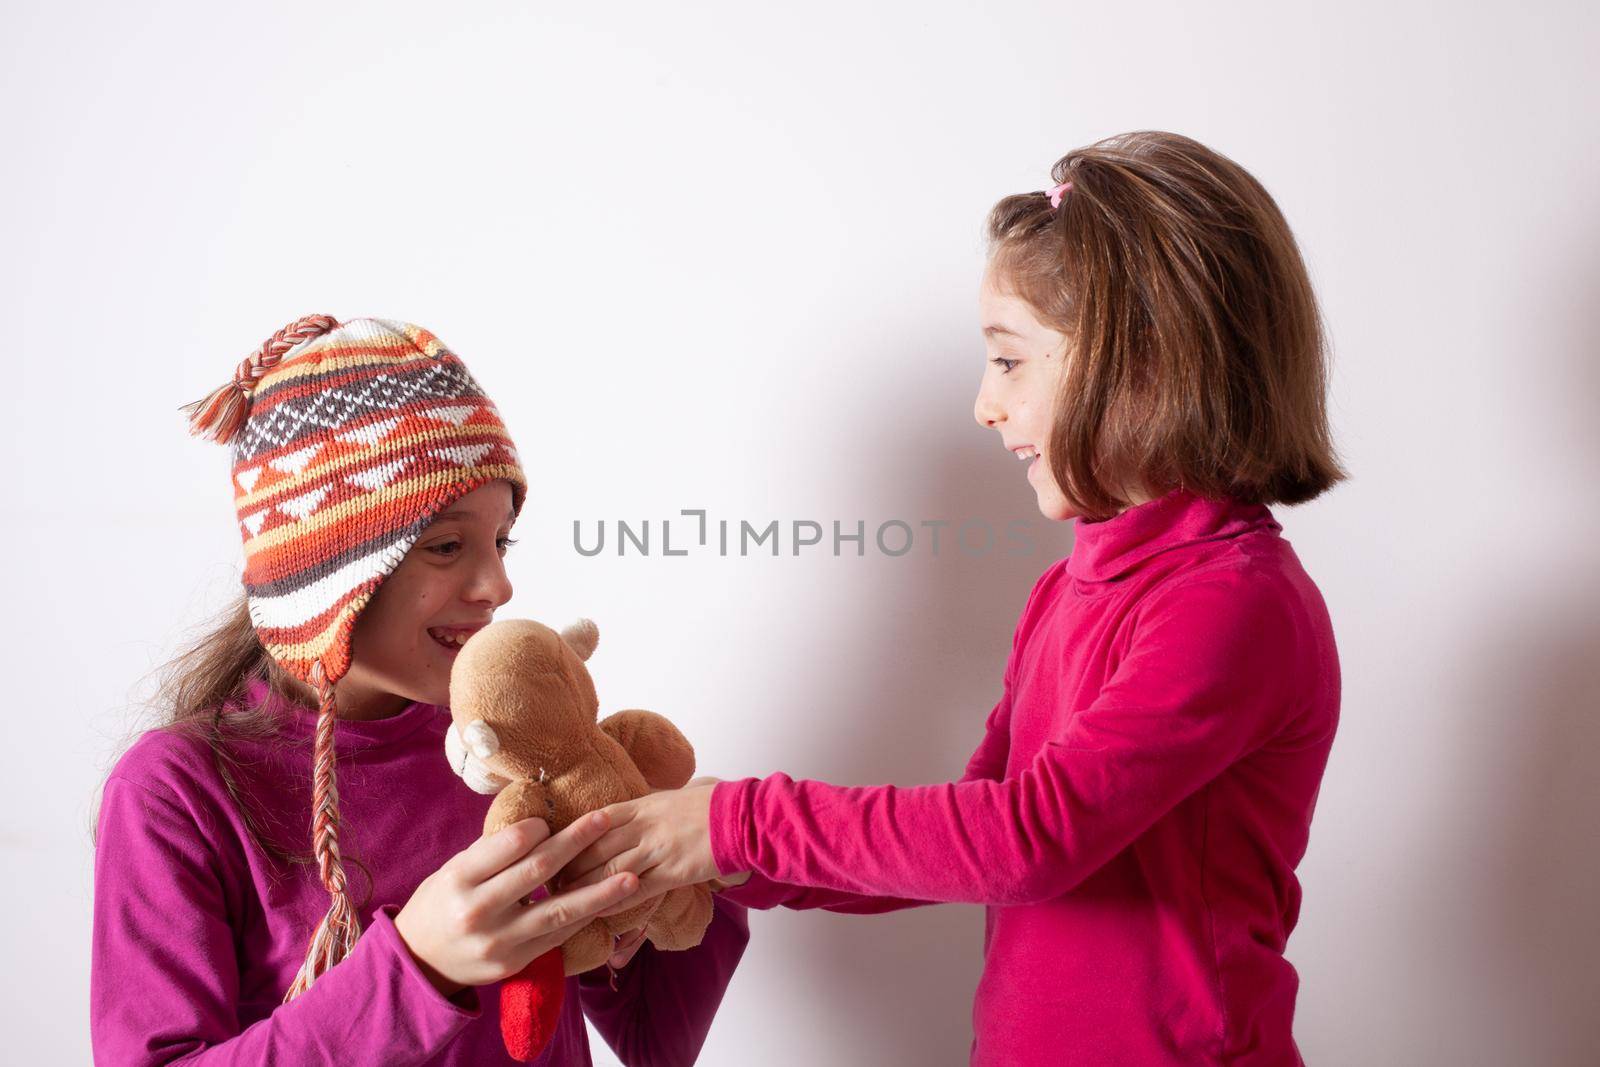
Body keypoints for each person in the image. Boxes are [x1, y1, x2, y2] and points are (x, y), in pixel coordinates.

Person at [556, 131, 1348, 1065]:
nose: (984, 403)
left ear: (1145, 364)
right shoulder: (1069, 586)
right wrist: (721, 853)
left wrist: (738, 819)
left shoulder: (1233, 604)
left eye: (1009, 360)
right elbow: (970, 825)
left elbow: (1027, 839)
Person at [90, 316, 748, 1065]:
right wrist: (419, 965)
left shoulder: (509, 742)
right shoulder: (176, 792)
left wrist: (699, 866)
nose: (499, 585)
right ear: (329, 575)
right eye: (445, 546)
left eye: (501, 541)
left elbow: (657, 1036)